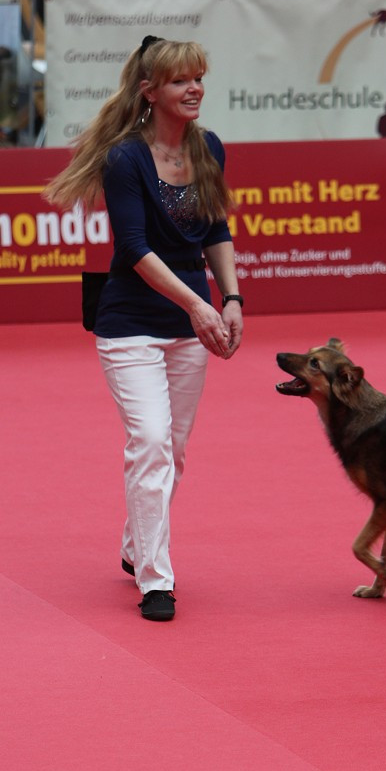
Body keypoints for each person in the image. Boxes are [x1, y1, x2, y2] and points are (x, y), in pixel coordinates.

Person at [45, 36, 243, 622]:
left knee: (173, 452)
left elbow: (215, 230)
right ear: (150, 92)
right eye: (182, 80)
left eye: (199, 77)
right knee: (152, 440)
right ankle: (157, 579)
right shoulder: (125, 158)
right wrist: (197, 305)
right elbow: (132, 248)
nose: (195, 88)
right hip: (130, 323)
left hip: (189, 327)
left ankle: (136, 546)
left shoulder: (209, 148)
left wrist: (229, 297)